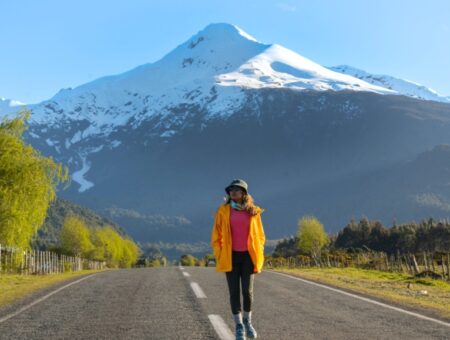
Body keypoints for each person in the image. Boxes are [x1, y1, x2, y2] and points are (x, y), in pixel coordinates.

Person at [211, 179, 266, 340]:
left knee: (247, 291)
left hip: (248, 257)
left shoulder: (253, 212)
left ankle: (248, 321)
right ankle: (239, 325)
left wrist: (259, 250)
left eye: (237, 189)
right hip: (230, 256)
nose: (233, 192)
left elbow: (261, 236)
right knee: (234, 291)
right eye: (231, 190)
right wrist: (220, 253)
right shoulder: (223, 211)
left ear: (244, 193)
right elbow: (216, 236)